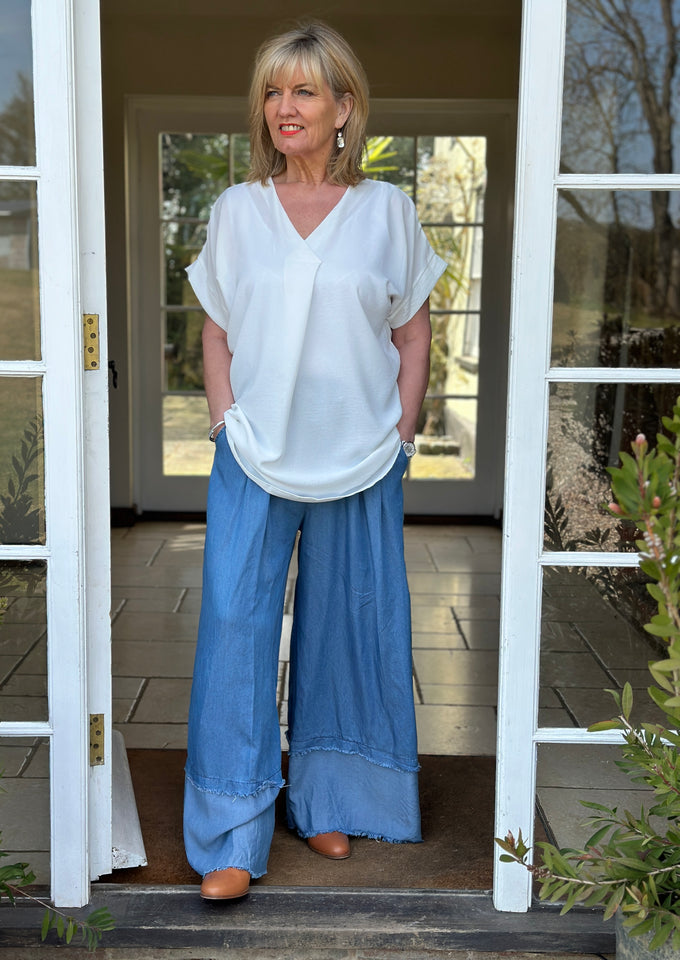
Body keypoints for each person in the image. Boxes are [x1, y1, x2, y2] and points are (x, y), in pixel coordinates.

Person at [184, 20, 447, 900]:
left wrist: (400, 433)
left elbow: (414, 334)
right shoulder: (236, 211)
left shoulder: (388, 212)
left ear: (344, 107)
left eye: (303, 90)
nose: (284, 106)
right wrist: (224, 422)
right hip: (254, 453)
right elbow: (215, 332)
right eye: (272, 90)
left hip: (362, 456)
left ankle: (331, 798)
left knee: (350, 626)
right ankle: (232, 828)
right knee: (235, 627)